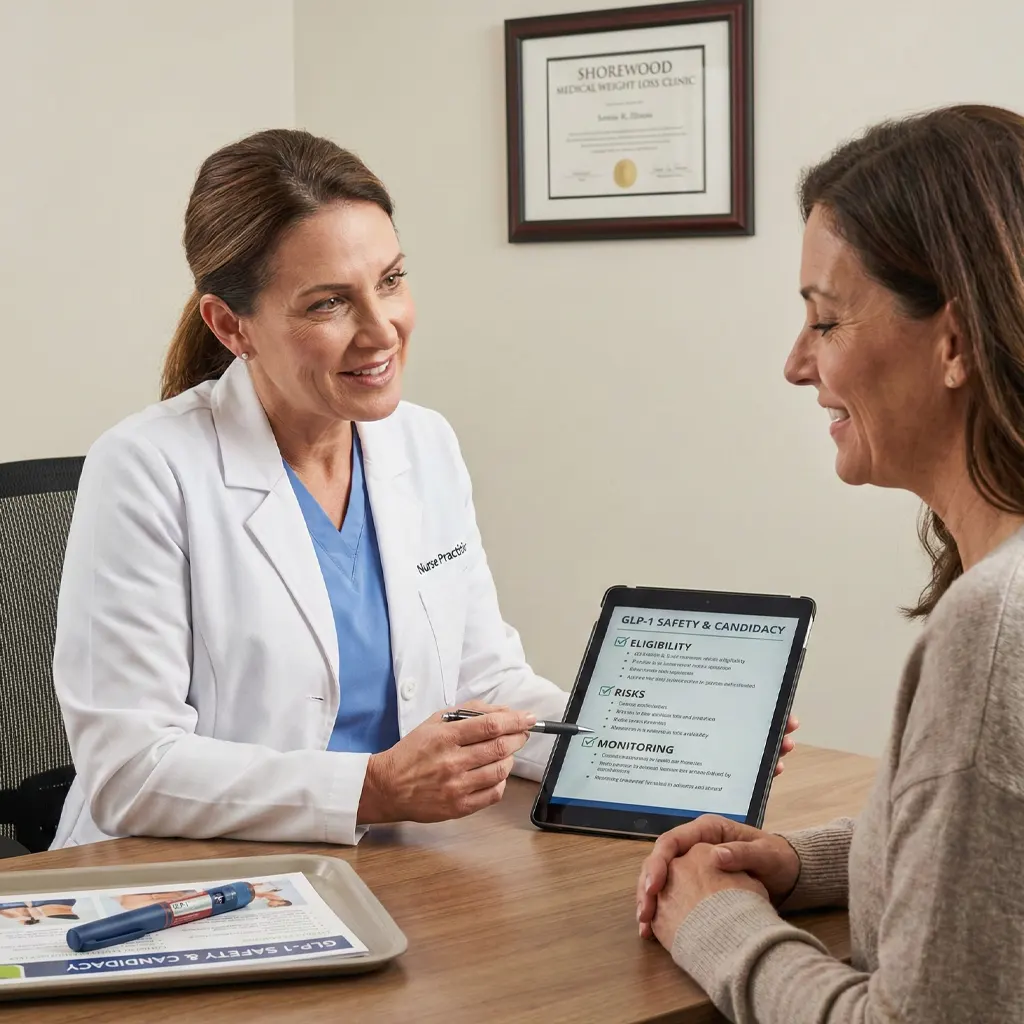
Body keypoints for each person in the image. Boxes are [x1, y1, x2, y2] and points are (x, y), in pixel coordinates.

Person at [51, 128, 797, 850]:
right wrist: (371, 788)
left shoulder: (422, 443)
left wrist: (653, 753)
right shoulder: (147, 468)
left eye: (392, 281)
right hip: (183, 879)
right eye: (328, 303)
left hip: (389, 862)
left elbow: (484, 681)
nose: (382, 330)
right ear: (230, 325)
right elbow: (129, 769)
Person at [636, 104, 1024, 1023]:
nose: (795, 363)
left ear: (956, 341)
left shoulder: (995, 627)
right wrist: (799, 862)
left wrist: (718, 924)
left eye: (826, 321)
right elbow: (991, 848)